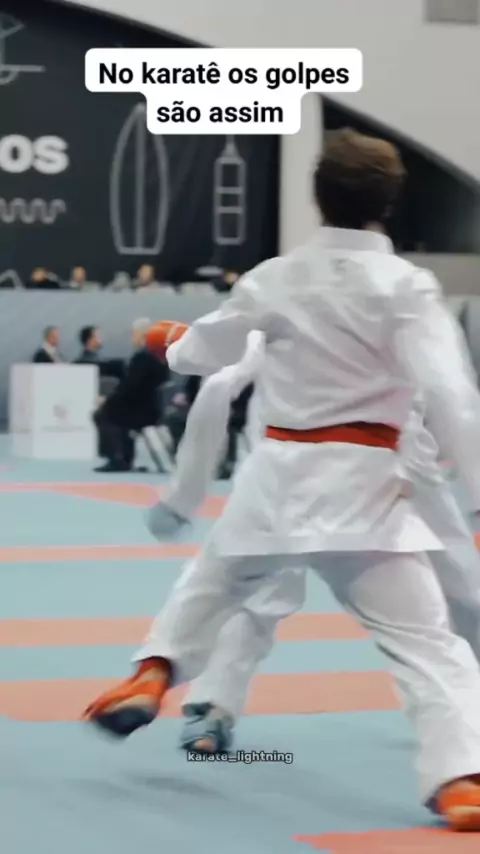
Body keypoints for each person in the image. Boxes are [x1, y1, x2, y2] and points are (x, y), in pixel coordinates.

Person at [84, 129, 480, 830]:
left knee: (212, 585)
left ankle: (154, 672)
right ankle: (458, 781)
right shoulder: (408, 288)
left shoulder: (275, 277)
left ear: (318, 198)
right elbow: (450, 395)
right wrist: (476, 498)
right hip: (367, 485)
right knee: (426, 642)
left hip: (276, 479)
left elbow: (204, 357)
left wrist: (168, 342)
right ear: (389, 203)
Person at [93, 318, 168, 473]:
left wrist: (107, 400)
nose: (132, 337)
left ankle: (116, 458)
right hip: (152, 408)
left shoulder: (142, 357)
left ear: (142, 335)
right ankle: (124, 458)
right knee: (116, 410)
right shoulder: (159, 356)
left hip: (141, 412)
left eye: (134, 334)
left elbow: (129, 388)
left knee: (102, 414)